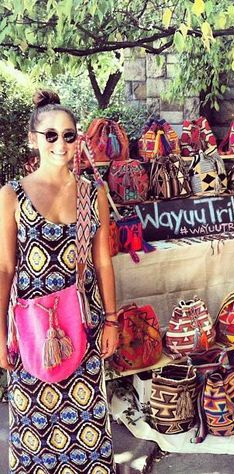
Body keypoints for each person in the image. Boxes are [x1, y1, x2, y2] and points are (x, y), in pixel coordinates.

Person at [0, 90, 119, 473]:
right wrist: (0, 331)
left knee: (88, 428)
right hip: (31, 332)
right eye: (50, 135)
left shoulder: (92, 193)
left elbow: (103, 263)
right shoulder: (10, 196)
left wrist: (113, 320)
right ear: (33, 139)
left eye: (69, 135)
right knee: (32, 431)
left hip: (82, 324)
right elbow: (4, 269)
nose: (61, 143)